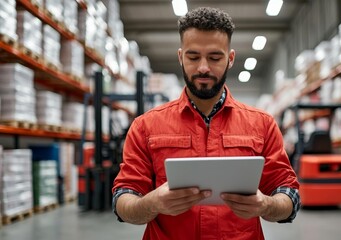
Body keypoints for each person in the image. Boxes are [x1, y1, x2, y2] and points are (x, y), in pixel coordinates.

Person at [112, 7, 300, 240]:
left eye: (214, 57)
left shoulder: (262, 125)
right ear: (180, 57)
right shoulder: (145, 127)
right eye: (193, 57)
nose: (203, 67)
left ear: (230, 59)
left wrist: (266, 205)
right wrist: (152, 203)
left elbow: (289, 195)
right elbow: (122, 199)